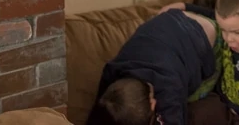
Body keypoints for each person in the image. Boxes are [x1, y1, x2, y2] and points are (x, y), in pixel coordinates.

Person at [86, 8, 218, 125]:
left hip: (205, 34)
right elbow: (96, 117)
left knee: (195, 97)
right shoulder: (111, 74)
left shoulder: (169, 93)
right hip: (166, 25)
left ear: (153, 104)